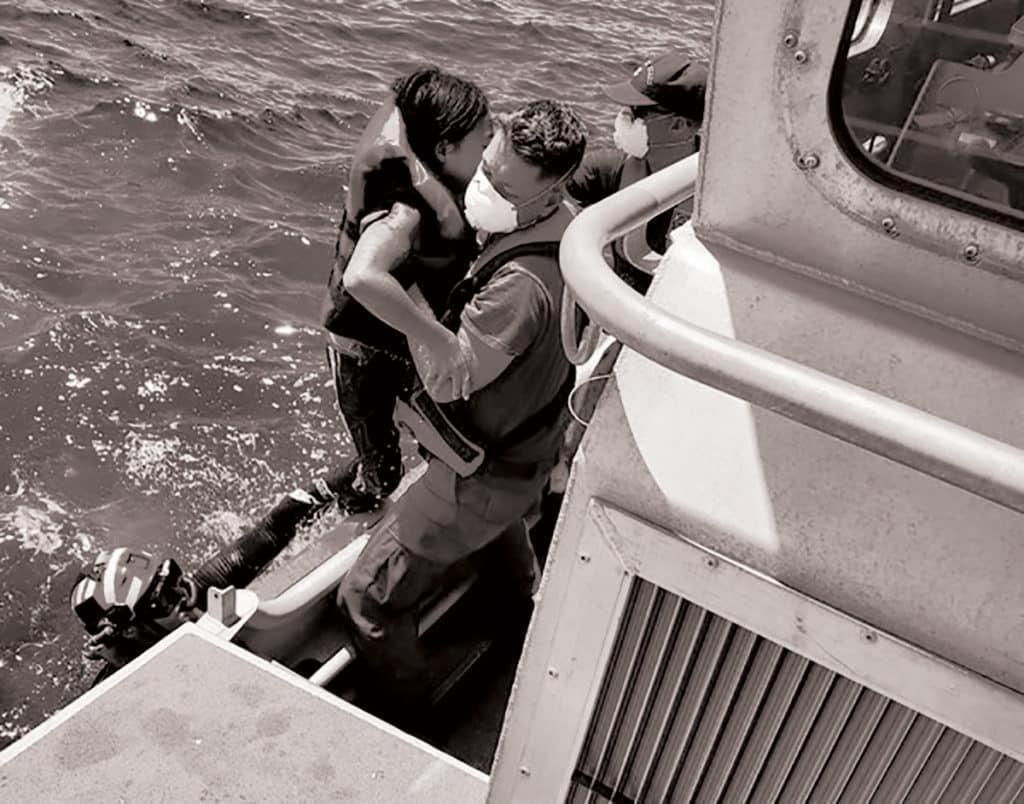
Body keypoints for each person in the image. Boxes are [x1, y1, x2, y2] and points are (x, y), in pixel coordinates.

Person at [337, 99, 587, 720]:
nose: (485, 188)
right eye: (487, 169)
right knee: (501, 533)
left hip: (473, 479)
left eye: (502, 186)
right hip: (525, 458)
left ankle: (408, 720)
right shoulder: (568, 230)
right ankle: (518, 620)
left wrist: (410, 292)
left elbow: (451, 382)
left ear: (548, 192)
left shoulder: (520, 289)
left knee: (365, 598)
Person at [321, 66, 492, 511]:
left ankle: (400, 432)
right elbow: (362, 277)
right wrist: (439, 341)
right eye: (483, 143)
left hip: (407, 323)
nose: (490, 153)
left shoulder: (433, 152)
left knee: (440, 425)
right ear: (444, 148)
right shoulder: (405, 209)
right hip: (364, 347)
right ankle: (353, 497)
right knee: (382, 472)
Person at [568, 50, 707, 294]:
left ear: (679, 126)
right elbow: (548, 189)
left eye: (636, 112)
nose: (623, 117)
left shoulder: (714, 200)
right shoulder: (612, 169)